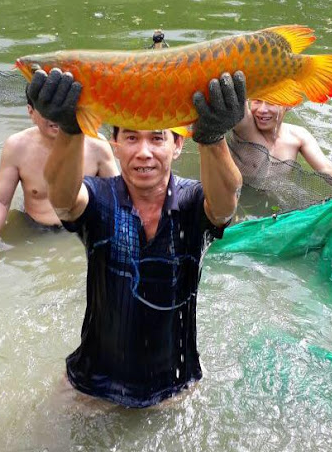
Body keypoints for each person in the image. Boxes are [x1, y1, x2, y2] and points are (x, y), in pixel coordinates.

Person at [27, 66, 245, 408]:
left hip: (176, 385)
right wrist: (71, 130)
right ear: (115, 145)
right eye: (131, 137)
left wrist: (214, 137)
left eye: (157, 137)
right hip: (92, 383)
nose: (144, 151)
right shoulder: (99, 198)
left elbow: (224, 205)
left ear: (177, 145)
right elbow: (64, 200)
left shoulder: (192, 202)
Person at [0, 86, 119, 274]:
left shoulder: (97, 145)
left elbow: (119, 198)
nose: (57, 116)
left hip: (82, 231)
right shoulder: (17, 146)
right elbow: (0, 201)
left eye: (64, 107)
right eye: (48, 109)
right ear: (31, 112)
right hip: (34, 230)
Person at [231, 99, 332, 193]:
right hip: (237, 194)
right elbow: (234, 99)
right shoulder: (245, 126)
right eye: (257, 101)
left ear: (288, 104)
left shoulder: (298, 137)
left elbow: (327, 169)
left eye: (271, 102)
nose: (262, 109)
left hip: (273, 198)